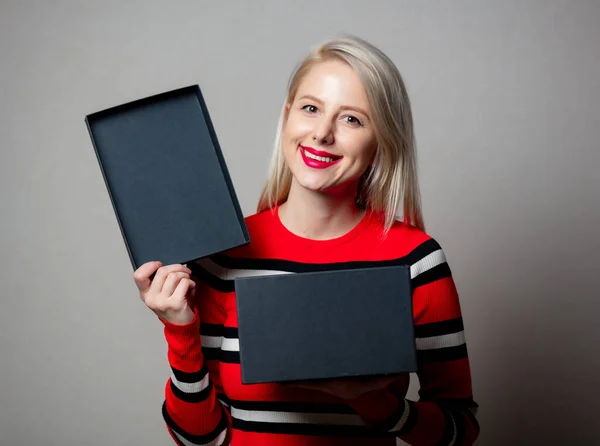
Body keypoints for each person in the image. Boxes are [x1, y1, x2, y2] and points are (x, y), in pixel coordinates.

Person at [134, 35, 479, 445]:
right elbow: (200, 440)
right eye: (311, 108)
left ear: (381, 141)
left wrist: (375, 404)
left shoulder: (416, 261)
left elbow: (460, 433)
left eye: (352, 119)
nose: (322, 134)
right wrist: (179, 327)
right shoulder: (221, 256)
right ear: (287, 116)